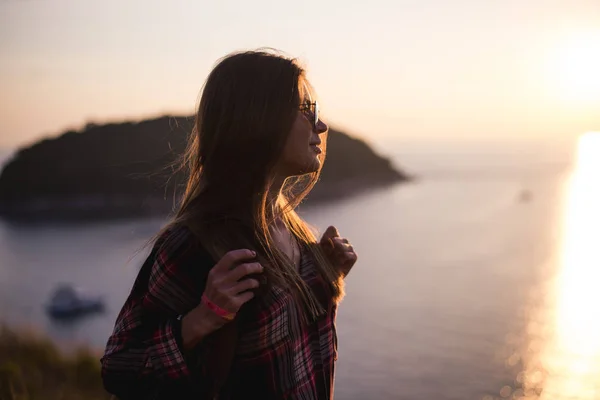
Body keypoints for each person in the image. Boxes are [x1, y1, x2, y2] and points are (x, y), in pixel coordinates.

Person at [100, 49, 358, 400]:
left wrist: (330, 275)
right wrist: (201, 320)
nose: (321, 126)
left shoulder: (294, 230)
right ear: (258, 118)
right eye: (305, 110)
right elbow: (119, 368)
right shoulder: (196, 243)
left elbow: (304, 351)